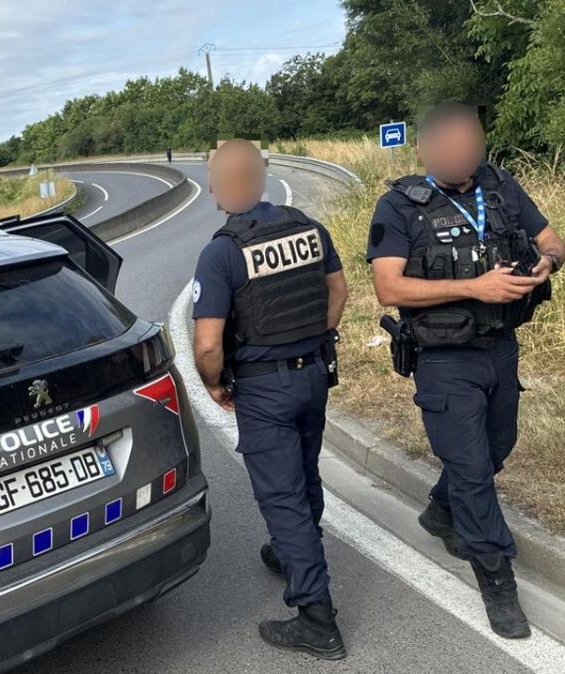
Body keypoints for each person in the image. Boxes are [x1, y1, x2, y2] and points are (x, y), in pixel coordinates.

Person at [367, 102, 563, 639]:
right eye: (453, 146)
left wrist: (545, 263)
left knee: (498, 448)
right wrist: (474, 287)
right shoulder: (399, 206)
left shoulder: (501, 187)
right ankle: (497, 582)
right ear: (425, 150)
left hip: (501, 346)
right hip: (443, 357)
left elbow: (551, 241)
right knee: (474, 472)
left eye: (472, 143)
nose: (466, 154)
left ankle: (440, 511)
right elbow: (389, 287)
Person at [192, 139, 349, 659]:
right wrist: (313, 340)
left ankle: (315, 618)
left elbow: (209, 343)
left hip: (263, 388)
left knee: (282, 498)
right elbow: (339, 292)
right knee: (305, 475)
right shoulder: (307, 227)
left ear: (219, 187)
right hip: (313, 377)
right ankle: (289, 553)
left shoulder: (221, 252)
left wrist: (213, 385)